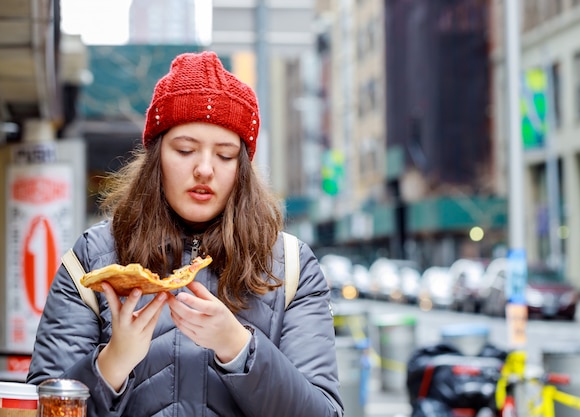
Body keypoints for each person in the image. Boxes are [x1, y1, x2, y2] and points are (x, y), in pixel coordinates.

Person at [27, 50, 344, 417]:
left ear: (242, 169)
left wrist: (238, 346)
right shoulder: (91, 260)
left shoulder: (290, 267)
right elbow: (40, 407)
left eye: (225, 155)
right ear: (156, 156)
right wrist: (112, 363)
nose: (205, 169)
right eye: (185, 149)